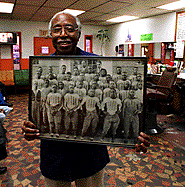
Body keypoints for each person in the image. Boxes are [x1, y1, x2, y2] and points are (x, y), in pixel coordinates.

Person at [22, 12, 150, 187]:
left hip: (90, 153)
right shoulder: (40, 67)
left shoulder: (97, 63)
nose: (63, 34)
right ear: (50, 34)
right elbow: (38, 105)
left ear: (78, 33)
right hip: (55, 153)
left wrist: (136, 136)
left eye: (69, 29)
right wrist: (31, 127)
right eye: (57, 29)